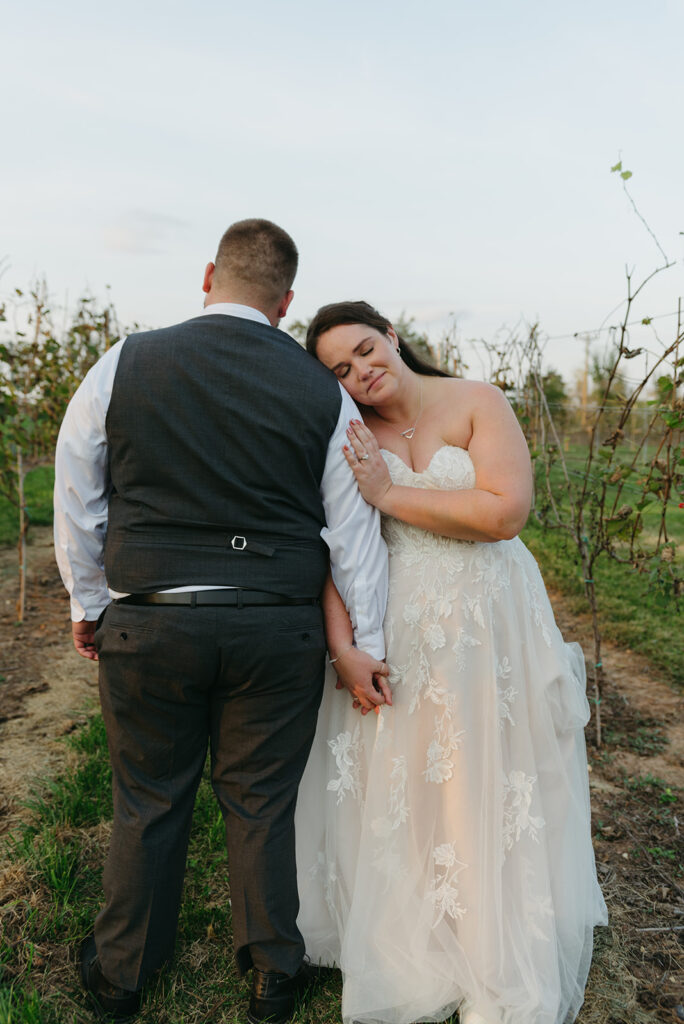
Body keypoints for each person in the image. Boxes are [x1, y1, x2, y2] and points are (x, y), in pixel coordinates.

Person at [53, 225, 391, 1024]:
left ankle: (123, 974)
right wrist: (366, 641)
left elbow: (79, 491)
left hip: (153, 621)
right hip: (277, 629)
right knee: (262, 801)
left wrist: (89, 601)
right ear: (287, 302)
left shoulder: (123, 363)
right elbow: (353, 531)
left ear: (209, 275)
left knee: (149, 797)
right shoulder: (322, 391)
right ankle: (275, 973)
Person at [294, 301, 608, 1024]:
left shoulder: (475, 400)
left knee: (489, 768)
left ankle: (491, 933)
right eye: (340, 369)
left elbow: (504, 512)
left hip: (489, 620)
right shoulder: (347, 433)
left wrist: (389, 493)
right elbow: (336, 549)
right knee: (408, 773)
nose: (361, 372)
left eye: (366, 350)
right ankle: (417, 935)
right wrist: (344, 646)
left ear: (393, 337)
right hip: (400, 622)